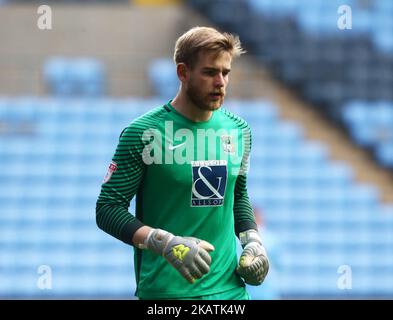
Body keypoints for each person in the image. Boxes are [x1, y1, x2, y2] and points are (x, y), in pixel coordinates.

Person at [96, 26, 269, 300]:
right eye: (210, 72)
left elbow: (238, 195)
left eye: (226, 73)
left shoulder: (239, 131)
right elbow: (107, 210)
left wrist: (253, 242)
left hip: (230, 293)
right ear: (183, 72)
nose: (220, 82)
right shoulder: (144, 133)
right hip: (166, 295)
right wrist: (166, 244)